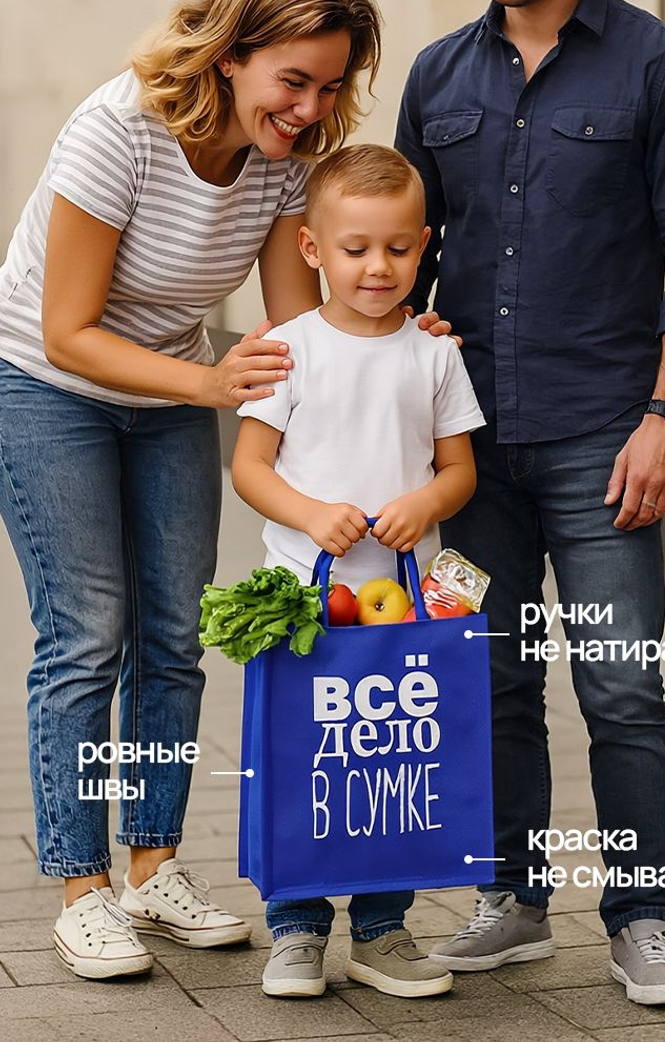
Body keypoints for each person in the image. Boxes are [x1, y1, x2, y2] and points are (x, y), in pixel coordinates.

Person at [0, 0, 453, 981]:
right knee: (87, 633)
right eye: (294, 79)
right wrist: (208, 386)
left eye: (331, 85)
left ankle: (152, 866)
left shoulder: (288, 155)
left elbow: (295, 324)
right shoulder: (120, 130)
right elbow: (66, 331)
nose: (311, 105)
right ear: (230, 56)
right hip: (43, 389)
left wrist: (397, 342)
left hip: (176, 392)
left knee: (175, 635)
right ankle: (82, 884)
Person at [394, 0, 665, 1007]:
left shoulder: (659, 66)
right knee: (490, 677)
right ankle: (511, 899)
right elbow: (402, 244)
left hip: (606, 428)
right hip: (470, 443)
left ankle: (642, 916)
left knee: (619, 682)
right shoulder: (438, 71)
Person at [231, 144, 486, 999]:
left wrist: (427, 501)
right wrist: (308, 514)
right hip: (305, 599)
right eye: (355, 249)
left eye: (400, 249)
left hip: (403, 604)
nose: (379, 267)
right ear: (311, 249)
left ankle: (383, 930)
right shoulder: (286, 348)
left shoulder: (433, 353)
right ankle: (298, 931)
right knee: (310, 757)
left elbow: (459, 470)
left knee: (391, 761)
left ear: (424, 246)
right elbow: (251, 468)